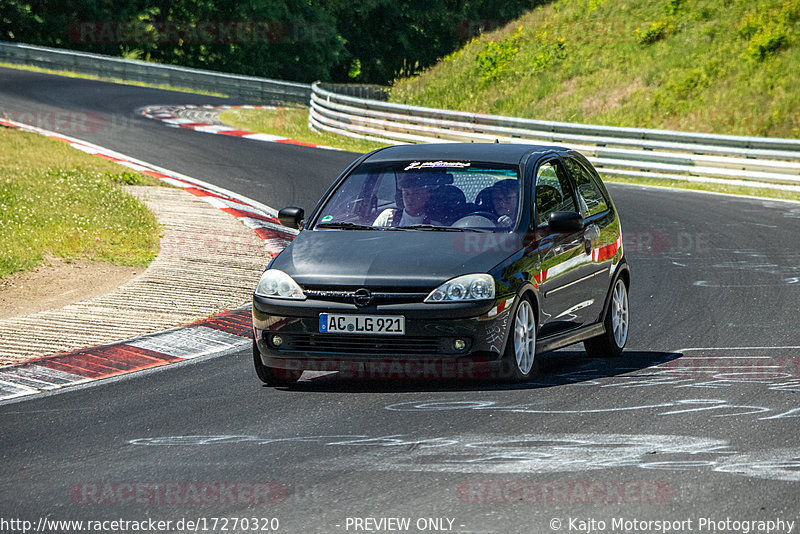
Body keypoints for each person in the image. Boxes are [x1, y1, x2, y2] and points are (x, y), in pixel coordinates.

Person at [373, 173, 442, 227]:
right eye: (406, 193)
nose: (410, 199)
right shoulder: (388, 217)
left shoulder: (435, 226)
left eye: (416, 194)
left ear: (426, 196)